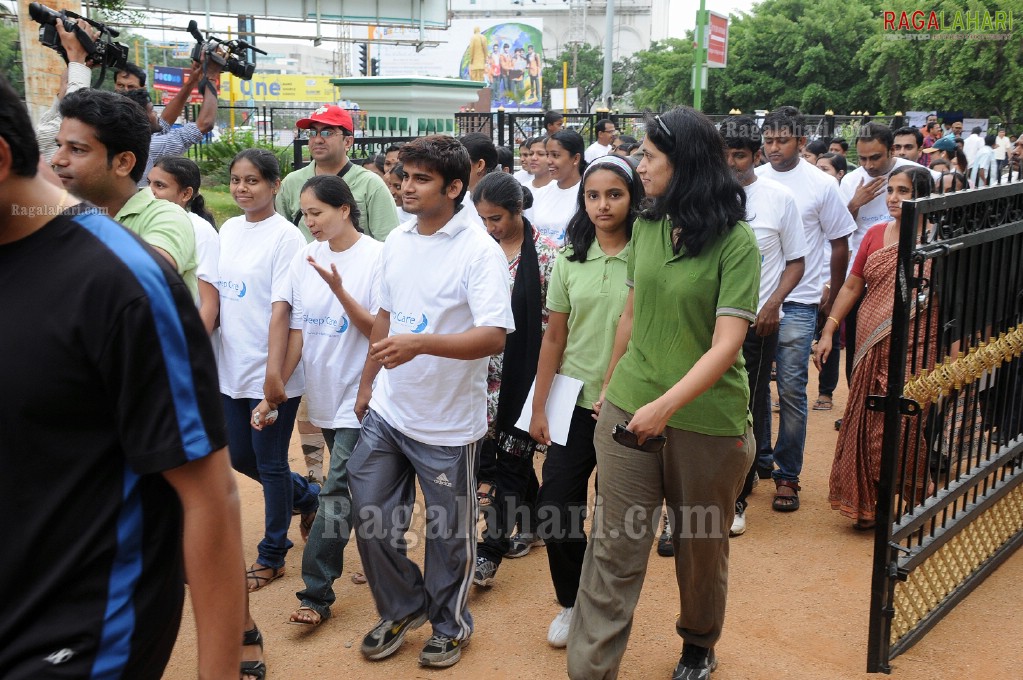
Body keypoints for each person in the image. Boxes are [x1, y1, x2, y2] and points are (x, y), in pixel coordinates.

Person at [0, 74, 245, 679]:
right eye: (61, 145)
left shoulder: (123, 280)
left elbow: (209, 496)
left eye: (79, 149)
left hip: (76, 639)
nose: (63, 159)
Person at [566, 106, 758, 680]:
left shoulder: (736, 241)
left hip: (707, 419)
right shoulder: (645, 225)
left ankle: (698, 643)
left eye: (648, 155)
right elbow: (631, 310)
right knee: (614, 546)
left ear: (685, 163)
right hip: (630, 405)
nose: (638, 164)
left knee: (700, 545)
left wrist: (665, 406)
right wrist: (611, 383)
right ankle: (590, 670)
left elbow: (727, 343)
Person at [348, 135, 514, 669]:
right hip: (390, 411)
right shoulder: (397, 240)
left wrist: (421, 344)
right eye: (403, 175)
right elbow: (385, 316)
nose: (405, 186)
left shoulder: (478, 251)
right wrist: (368, 381)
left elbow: (493, 337)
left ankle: (450, 625)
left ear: (455, 187)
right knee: (368, 514)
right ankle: (401, 607)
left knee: (448, 534)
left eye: (420, 178)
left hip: (447, 425)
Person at [253, 174, 383, 627]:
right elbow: (297, 332)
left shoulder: (378, 258)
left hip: (363, 395)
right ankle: (382, 548)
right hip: (324, 395)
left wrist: (340, 291)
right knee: (357, 487)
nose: (309, 222)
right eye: (304, 213)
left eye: (317, 212)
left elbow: (377, 333)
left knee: (335, 489)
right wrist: (276, 387)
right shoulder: (305, 256)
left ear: (345, 209)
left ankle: (316, 594)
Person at [528, 154, 642, 647]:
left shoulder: (650, 254)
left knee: (616, 517)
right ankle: (572, 603)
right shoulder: (569, 257)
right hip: (573, 402)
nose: (602, 204)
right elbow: (554, 336)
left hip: (630, 403)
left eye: (614, 194)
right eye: (593, 195)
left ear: (633, 198)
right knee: (556, 504)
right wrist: (537, 405)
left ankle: (607, 607)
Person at [217, 148, 320, 592]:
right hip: (230, 368)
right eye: (237, 180)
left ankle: (272, 554)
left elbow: (284, 311)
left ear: (276, 186)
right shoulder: (228, 229)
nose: (242, 188)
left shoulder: (286, 239)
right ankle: (309, 496)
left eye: (253, 180)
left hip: (271, 370)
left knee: (271, 463)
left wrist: (274, 374)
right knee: (241, 456)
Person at [813, 166, 936, 529]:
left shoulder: (937, 241)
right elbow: (851, 287)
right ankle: (868, 503)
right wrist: (829, 330)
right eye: (892, 190)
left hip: (916, 344)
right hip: (869, 340)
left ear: (923, 197)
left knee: (905, 423)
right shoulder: (874, 234)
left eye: (904, 191)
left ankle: (914, 493)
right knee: (866, 419)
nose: (894, 198)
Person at [756, 106, 855, 509]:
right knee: (753, 385)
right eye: (768, 140)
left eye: (782, 140)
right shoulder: (752, 180)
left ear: (800, 141)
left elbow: (839, 242)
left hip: (799, 300)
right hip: (753, 301)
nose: (773, 148)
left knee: (793, 388)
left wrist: (830, 290)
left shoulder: (822, 185)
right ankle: (759, 457)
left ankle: (787, 474)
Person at [721, 115, 808, 537]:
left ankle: (736, 499)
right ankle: (738, 475)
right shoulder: (709, 197)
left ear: (755, 156)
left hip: (757, 323)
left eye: (738, 155)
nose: (731, 163)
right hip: (707, 323)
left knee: (748, 404)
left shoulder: (778, 198)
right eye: (724, 156)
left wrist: (774, 303)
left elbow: (796, 261)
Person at [472, 171, 558, 585]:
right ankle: (540, 516)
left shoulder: (547, 256)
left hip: (526, 373)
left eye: (497, 219)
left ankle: (490, 549)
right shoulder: (476, 251)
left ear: (518, 211)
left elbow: (554, 326)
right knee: (501, 456)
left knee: (510, 458)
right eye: (484, 219)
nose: (490, 228)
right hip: (479, 371)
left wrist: (546, 382)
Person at [52, 88, 199, 300]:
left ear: (123, 163)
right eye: (59, 145)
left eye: (77, 149)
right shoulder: (67, 215)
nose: (58, 159)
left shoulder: (166, 216)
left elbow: (145, 276)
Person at [277, 104, 398, 243]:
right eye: (312, 133)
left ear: (348, 141)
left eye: (327, 133)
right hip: (307, 263)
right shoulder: (291, 183)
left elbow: (389, 243)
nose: (317, 139)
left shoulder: (370, 184)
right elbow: (282, 237)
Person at [148, 156, 220, 334]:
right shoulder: (147, 223)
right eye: (149, 183)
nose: (150, 192)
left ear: (186, 194)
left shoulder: (201, 231)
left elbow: (209, 304)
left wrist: (190, 351)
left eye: (160, 185)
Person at [529, 129, 586, 245]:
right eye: (547, 154)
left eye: (555, 155)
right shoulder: (540, 194)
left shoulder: (588, 194)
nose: (549, 161)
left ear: (576, 159)